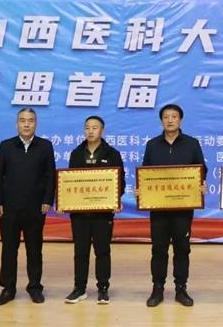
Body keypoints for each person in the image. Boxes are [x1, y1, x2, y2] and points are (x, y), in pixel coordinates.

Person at [142, 104, 207, 307]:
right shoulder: (152, 144)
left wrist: (200, 184)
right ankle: (157, 288)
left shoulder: (191, 143)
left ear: (180, 120)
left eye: (174, 116)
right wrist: (142, 189)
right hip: (158, 208)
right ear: (161, 120)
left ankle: (181, 289)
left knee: (182, 249)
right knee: (158, 249)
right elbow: (145, 172)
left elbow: (201, 169)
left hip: (183, 208)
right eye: (166, 117)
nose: (170, 120)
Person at [0, 108, 56, 306]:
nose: (26, 124)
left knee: (34, 249)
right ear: (17, 123)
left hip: (36, 208)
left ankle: (34, 287)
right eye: (22, 120)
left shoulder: (45, 146)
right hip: (9, 208)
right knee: (9, 249)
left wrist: (47, 200)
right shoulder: (6, 146)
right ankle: (8, 288)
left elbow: (50, 175)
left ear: (36, 123)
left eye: (30, 120)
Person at [64, 116, 126, 305]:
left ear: (102, 131)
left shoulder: (112, 154)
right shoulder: (76, 153)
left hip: (103, 214)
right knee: (80, 251)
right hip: (80, 214)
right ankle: (79, 288)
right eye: (87, 128)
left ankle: (103, 288)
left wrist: (115, 198)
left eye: (95, 128)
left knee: (102, 251)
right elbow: (70, 182)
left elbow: (120, 182)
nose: (90, 131)